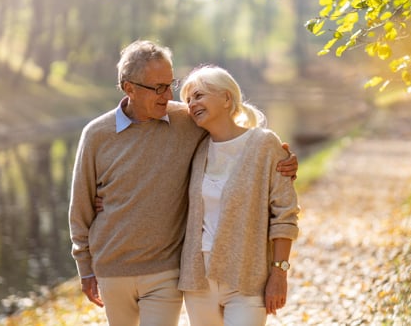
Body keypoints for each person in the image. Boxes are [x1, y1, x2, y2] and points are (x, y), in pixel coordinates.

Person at [69, 40, 298, 326]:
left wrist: (283, 162)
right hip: (114, 268)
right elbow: (80, 206)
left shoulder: (185, 121)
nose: (170, 96)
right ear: (130, 89)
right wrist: (85, 267)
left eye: (170, 84)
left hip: (167, 270)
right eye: (158, 88)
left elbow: (238, 141)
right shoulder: (97, 134)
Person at [178, 65, 300, 326]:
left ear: (226, 98)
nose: (191, 104)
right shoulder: (194, 149)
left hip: (247, 275)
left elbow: (285, 214)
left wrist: (279, 273)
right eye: (188, 100)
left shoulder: (265, 144)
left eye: (198, 95)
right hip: (198, 279)